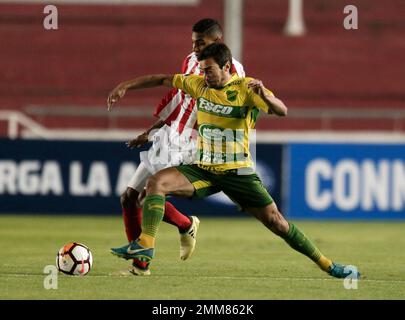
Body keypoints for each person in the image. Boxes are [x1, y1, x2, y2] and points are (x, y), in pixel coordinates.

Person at [107, 43, 360, 280]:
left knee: (278, 223)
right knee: (156, 182)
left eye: (209, 69)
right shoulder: (199, 86)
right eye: (203, 69)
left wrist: (265, 96)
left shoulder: (247, 89)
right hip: (203, 169)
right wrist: (125, 85)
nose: (204, 74)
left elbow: (282, 110)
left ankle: (329, 265)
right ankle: (146, 246)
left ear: (226, 67)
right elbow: (162, 79)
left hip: (237, 173)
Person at [109, 19, 245, 275]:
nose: (194, 47)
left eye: (200, 42)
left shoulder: (234, 72)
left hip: (194, 144)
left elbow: (235, 118)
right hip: (170, 136)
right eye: (193, 41)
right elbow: (178, 100)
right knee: (129, 198)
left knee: (147, 196)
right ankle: (185, 225)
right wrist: (151, 131)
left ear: (217, 42)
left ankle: (141, 265)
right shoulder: (190, 60)